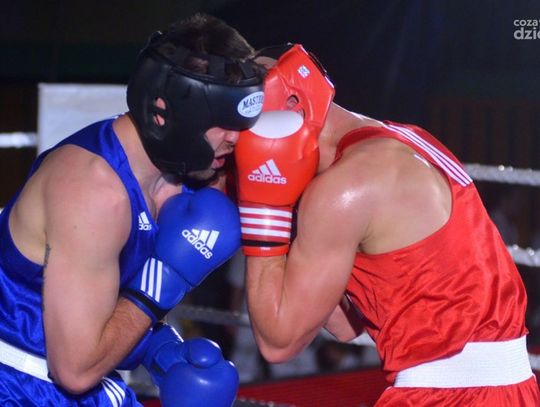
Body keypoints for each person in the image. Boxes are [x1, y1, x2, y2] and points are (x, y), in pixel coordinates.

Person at [233, 44, 540, 405]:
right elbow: (347, 326)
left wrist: (264, 208)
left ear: (289, 108)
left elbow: (278, 342)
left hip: (447, 394)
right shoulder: (409, 139)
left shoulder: (348, 185)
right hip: (513, 387)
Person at [0, 13, 265, 406]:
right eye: (222, 120)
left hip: (75, 380)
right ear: (164, 110)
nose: (235, 138)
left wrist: (162, 353)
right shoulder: (94, 192)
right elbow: (75, 370)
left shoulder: (176, 183)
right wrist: (166, 277)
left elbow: (106, 306)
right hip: (19, 385)